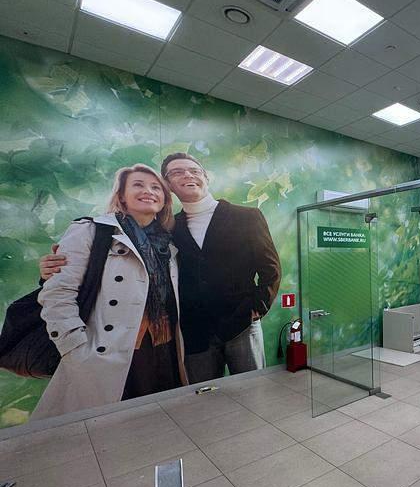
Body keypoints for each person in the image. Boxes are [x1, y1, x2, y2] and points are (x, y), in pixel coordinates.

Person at [41, 153, 281, 383]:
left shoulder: (247, 216)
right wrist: (53, 268)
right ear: (169, 186)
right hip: (193, 330)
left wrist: (255, 310)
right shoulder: (169, 230)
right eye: (177, 172)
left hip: (241, 323)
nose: (187, 175)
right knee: (203, 397)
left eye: (194, 170)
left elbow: (270, 270)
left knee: (252, 389)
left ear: (205, 177)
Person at [33, 164, 187, 420]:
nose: (148, 191)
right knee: (108, 428)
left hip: (164, 348)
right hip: (107, 352)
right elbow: (58, 292)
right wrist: (75, 349)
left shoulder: (168, 243)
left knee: (162, 422)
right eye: (138, 185)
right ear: (122, 196)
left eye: (156, 187)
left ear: (164, 200)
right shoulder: (92, 230)